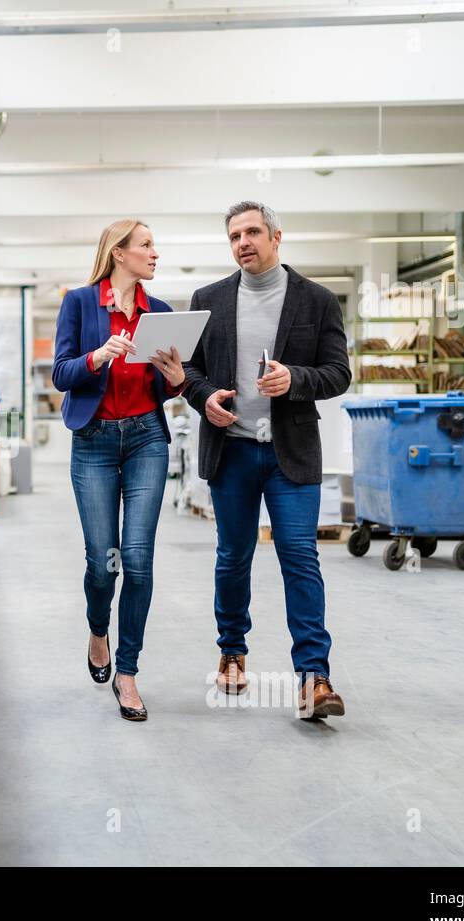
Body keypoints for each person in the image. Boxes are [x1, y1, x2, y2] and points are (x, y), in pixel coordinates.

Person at [182, 201, 351, 719]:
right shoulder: (206, 300)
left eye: (253, 232)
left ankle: (314, 678)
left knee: (299, 556)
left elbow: (338, 373)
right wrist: (204, 397)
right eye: (234, 235)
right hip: (230, 449)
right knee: (233, 556)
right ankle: (232, 652)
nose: (243, 243)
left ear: (278, 236)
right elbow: (188, 370)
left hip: (290, 453)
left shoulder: (317, 300)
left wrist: (295, 380)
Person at [52, 219, 188, 721]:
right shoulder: (81, 303)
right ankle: (97, 628)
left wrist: (176, 380)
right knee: (102, 560)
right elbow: (60, 372)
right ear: (119, 253)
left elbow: (169, 386)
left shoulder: (162, 312)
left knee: (138, 557)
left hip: (147, 437)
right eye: (146, 245)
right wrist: (96, 357)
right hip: (94, 442)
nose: (155, 252)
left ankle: (127, 673)